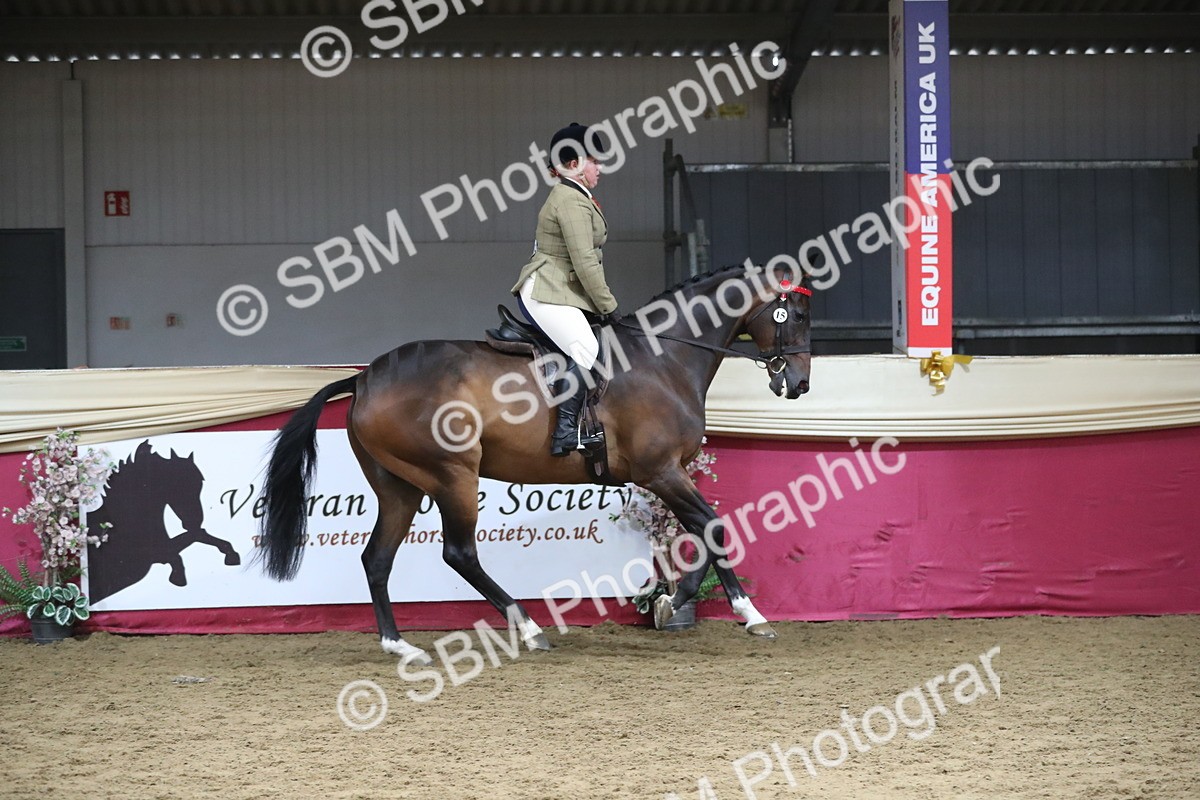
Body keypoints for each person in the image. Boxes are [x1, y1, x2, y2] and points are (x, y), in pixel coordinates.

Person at [511, 122, 620, 457]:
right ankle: (565, 433)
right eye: (594, 160)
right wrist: (609, 306)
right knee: (586, 348)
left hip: (561, 291)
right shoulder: (569, 200)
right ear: (573, 164)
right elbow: (585, 262)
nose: (600, 167)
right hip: (546, 292)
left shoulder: (577, 196)